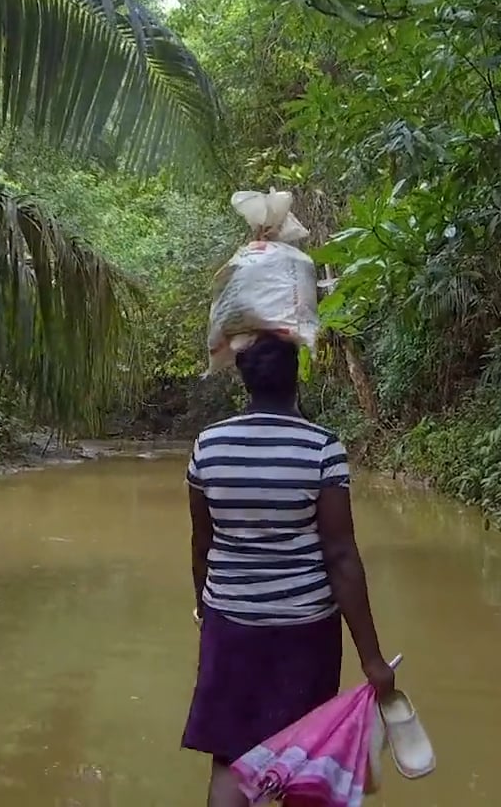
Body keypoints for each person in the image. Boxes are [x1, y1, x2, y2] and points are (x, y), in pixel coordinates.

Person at [181, 333, 395, 807]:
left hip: (230, 625)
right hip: (305, 630)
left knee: (230, 757)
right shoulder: (321, 447)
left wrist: (205, 603)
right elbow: (340, 554)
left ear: (245, 381)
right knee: (307, 753)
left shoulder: (209, 445)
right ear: (296, 379)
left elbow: (203, 542)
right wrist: (372, 658)